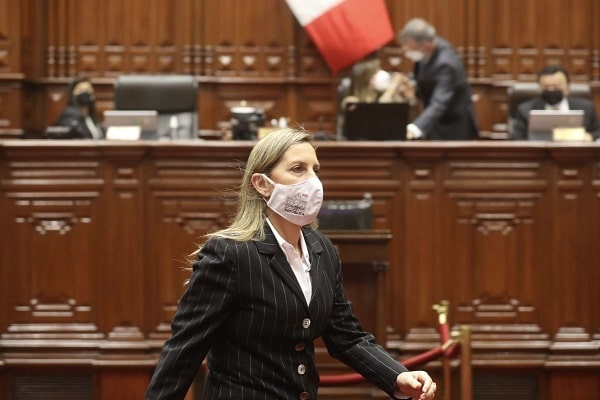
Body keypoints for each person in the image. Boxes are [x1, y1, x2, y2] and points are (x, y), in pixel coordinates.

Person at [145, 128, 437, 400]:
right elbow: (185, 349)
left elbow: (346, 336)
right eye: (298, 169)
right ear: (262, 184)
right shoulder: (230, 253)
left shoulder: (323, 250)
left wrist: (397, 375)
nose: (313, 181)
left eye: (315, 170)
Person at [397, 18, 479, 140]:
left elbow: (439, 103)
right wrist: (411, 83)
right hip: (437, 124)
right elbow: (420, 74)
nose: (408, 53)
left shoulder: (446, 64)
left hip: (454, 128)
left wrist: (416, 127)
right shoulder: (427, 49)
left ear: (427, 45)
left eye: (411, 49)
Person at [511, 65, 600, 140]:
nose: (551, 90)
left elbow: (597, 131)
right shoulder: (525, 110)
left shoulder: (586, 107)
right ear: (539, 88)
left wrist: (590, 136)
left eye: (556, 87)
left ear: (568, 87)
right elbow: (516, 138)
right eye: (546, 87)